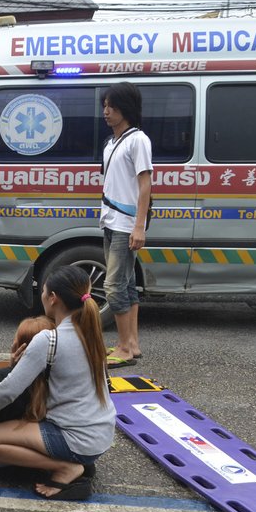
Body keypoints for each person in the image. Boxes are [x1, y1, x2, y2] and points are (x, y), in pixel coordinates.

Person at [0, 265, 116, 500]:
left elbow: (8, 390)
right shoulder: (90, 332)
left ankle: (66, 468)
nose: (42, 295)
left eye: (43, 291)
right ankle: (74, 461)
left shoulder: (50, 339)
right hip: (101, 435)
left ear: (53, 298)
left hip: (75, 437)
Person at [101, 82, 152, 369]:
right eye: (105, 106)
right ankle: (132, 343)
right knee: (128, 284)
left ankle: (122, 347)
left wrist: (139, 227)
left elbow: (145, 185)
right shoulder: (111, 143)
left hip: (126, 223)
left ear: (127, 109)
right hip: (111, 219)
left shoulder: (138, 140)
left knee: (114, 286)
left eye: (113, 106)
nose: (107, 112)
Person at [0, 315, 55, 467]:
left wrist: (9, 370)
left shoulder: (3, 380)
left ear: (19, 346)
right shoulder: (59, 378)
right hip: (39, 453)